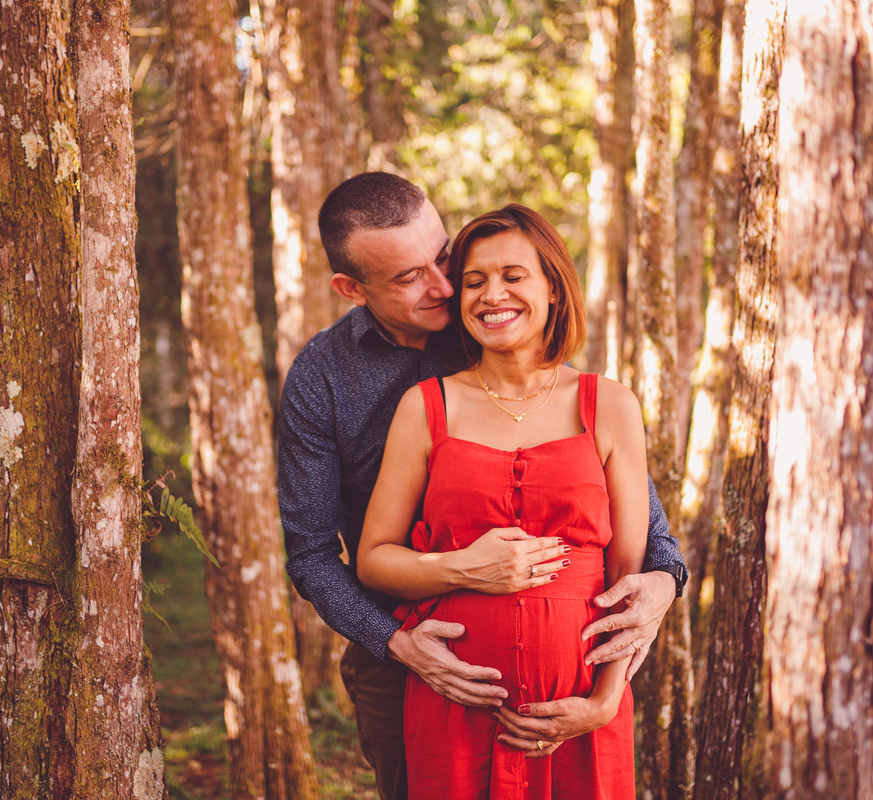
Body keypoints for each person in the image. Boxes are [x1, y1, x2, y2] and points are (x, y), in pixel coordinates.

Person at [278, 173, 687, 800]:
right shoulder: (324, 378)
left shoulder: (501, 318)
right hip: (404, 654)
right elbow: (311, 554)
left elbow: (620, 505)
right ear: (351, 289)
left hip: (573, 674)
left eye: (444, 257)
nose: (445, 286)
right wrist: (402, 644)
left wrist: (665, 578)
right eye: (409, 277)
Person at [357, 204, 645, 798]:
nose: (493, 295)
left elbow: (628, 577)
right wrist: (462, 568)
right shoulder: (426, 406)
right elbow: (374, 560)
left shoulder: (611, 405)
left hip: (580, 710)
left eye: (514, 276)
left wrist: (604, 700)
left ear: (553, 290)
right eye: (474, 281)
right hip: (454, 702)